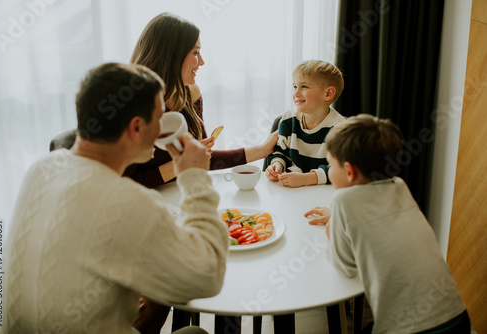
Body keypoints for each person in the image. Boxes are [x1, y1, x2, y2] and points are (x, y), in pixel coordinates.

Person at [3, 63, 228, 333]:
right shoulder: (125, 203)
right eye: (159, 118)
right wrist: (194, 178)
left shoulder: (40, 170)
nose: (163, 126)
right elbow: (207, 277)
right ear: (136, 128)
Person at [304, 115, 470, 333]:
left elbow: (345, 266)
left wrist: (332, 229)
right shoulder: (399, 186)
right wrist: (339, 218)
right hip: (457, 318)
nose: (329, 171)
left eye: (330, 165)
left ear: (349, 171)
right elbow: (377, 219)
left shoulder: (342, 201)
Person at [124, 12, 278, 189]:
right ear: (172, 56)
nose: (202, 62)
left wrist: (264, 149)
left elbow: (205, 159)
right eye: (196, 52)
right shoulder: (132, 107)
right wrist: (184, 162)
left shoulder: (191, 94)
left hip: (181, 196)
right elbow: (126, 183)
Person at [265, 60, 345, 188]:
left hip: (322, 192)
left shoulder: (341, 129)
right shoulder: (288, 119)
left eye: (304, 87)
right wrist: (277, 165)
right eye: (295, 87)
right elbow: (280, 151)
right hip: (291, 190)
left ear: (328, 93)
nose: (296, 94)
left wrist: (305, 179)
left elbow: (340, 169)